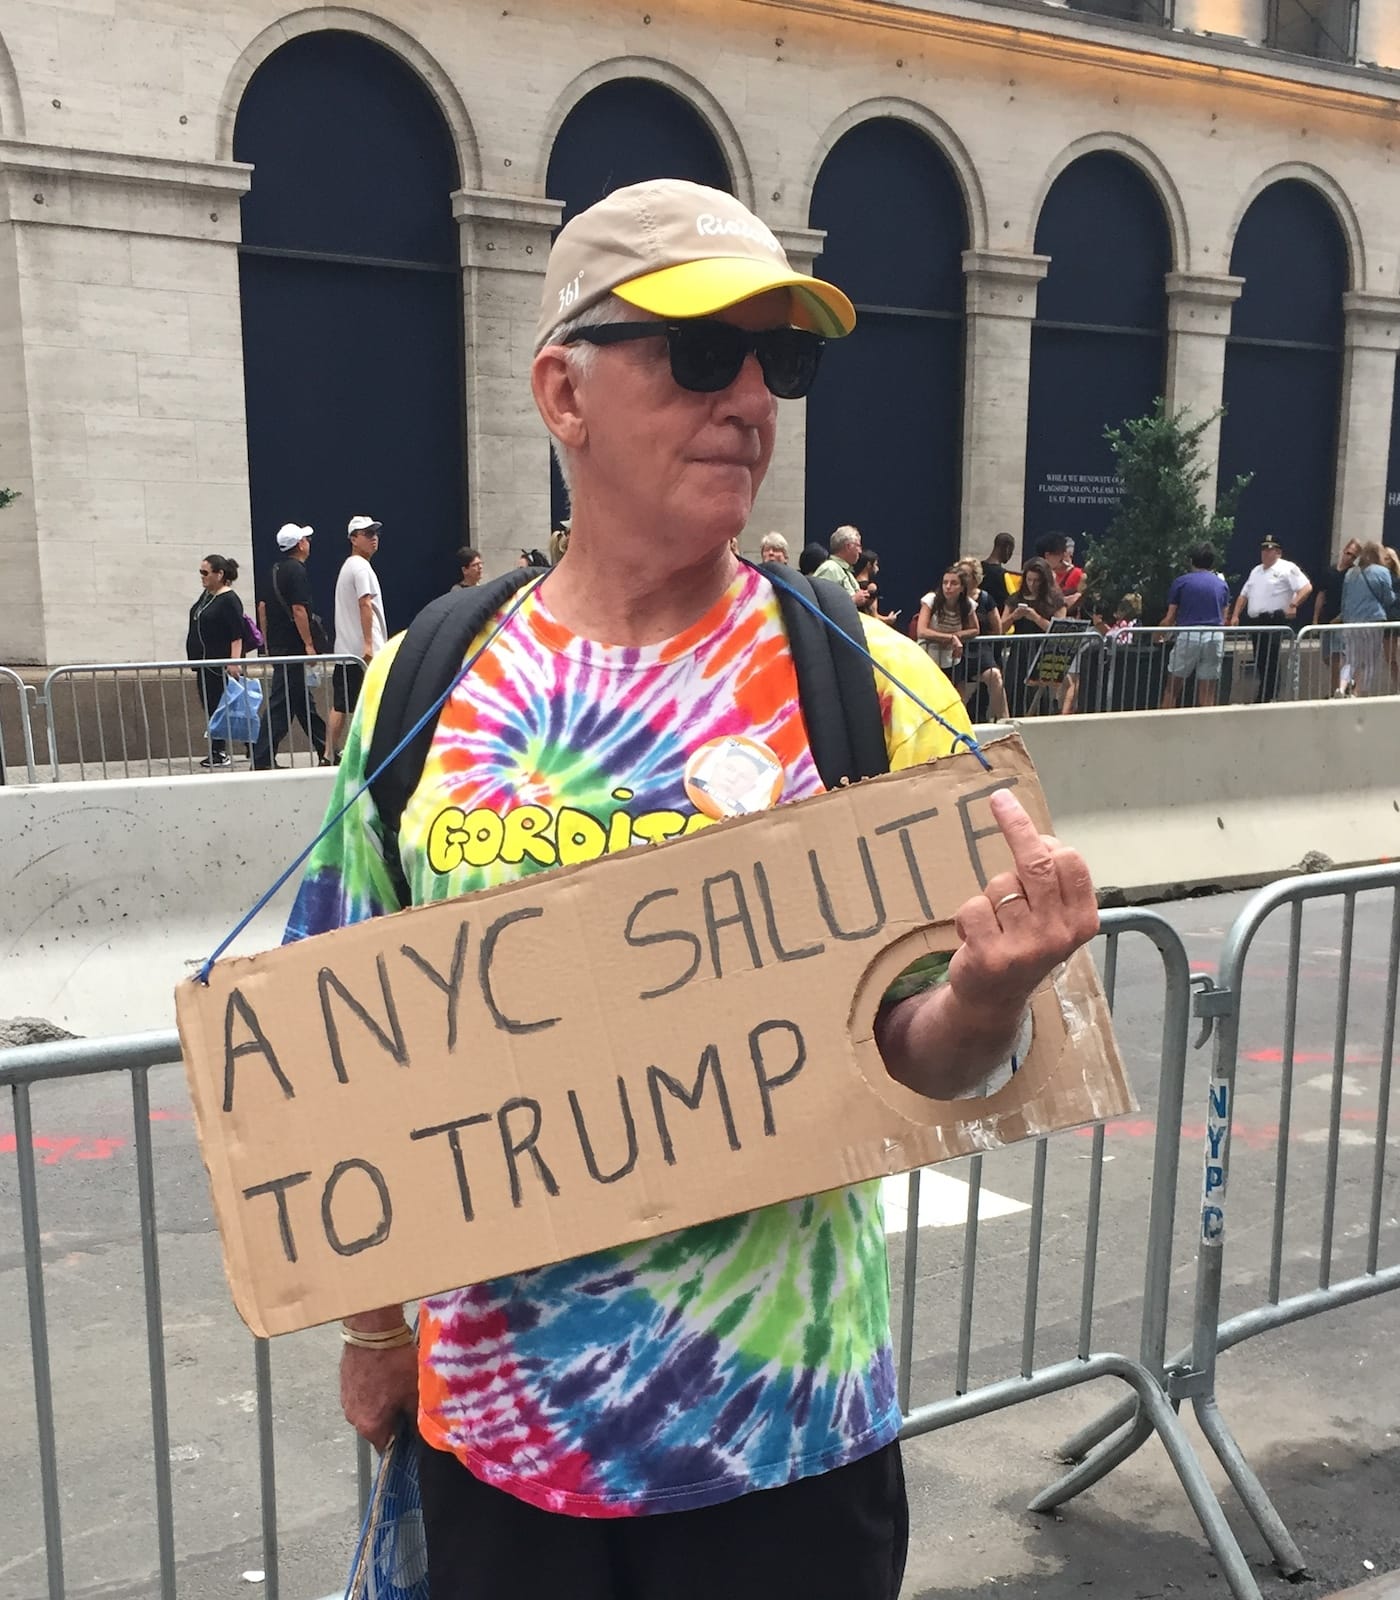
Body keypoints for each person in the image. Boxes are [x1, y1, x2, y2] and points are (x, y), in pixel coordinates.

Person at [288, 177, 1099, 1600]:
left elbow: (927, 1064)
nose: (750, 401)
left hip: (788, 1454)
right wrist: (371, 1332)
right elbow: (351, 1048)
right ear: (564, 389)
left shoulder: (867, 688)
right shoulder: (428, 688)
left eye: (777, 361)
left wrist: (984, 996)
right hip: (501, 1449)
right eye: (700, 353)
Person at [252, 523, 328, 770]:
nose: (309, 542)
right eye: (306, 538)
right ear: (300, 544)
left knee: (304, 704)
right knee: (279, 706)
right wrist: (309, 645)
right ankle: (262, 759)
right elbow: (299, 609)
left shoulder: (274, 570)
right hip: (293, 649)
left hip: (279, 646)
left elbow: (262, 608)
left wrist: (266, 643)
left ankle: (327, 750)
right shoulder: (296, 571)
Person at [327, 517, 387, 764]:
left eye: (375, 533)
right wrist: (368, 645)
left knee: (343, 703)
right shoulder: (360, 568)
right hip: (362, 653)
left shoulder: (350, 566)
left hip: (348, 651)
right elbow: (365, 603)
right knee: (369, 702)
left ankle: (329, 753)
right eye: (367, 533)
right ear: (353, 539)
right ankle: (365, 752)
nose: (373, 537)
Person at [1228, 537, 1312, 703]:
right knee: (1260, 658)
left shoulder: (1287, 568)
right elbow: (1244, 595)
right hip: (1257, 621)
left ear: (1278, 552)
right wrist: (1236, 614)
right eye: (1264, 549)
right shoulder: (1256, 571)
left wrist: (1294, 603)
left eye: (1270, 549)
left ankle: (1269, 695)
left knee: (1270, 659)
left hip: (1274, 619)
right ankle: (1264, 693)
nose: (1266, 553)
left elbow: (1306, 587)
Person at [185, 553, 245, 768]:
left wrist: (234, 661)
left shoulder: (228, 599)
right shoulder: (207, 596)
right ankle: (226, 748)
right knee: (213, 707)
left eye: (205, 572)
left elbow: (237, 634)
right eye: (200, 572)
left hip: (219, 664)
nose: (202, 577)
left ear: (219, 574)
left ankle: (219, 750)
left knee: (223, 707)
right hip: (204, 663)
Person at [1160, 543, 1232, 710]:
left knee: (1172, 688)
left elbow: (1170, 617)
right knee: (1208, 693)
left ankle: (1163, 726)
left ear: (1191, 560)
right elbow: (1224, 617)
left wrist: (1158, 634)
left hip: (1188, 635)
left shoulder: (1181, 582)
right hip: (1215, 635)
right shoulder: (1221, 585)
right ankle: (1206, 730)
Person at [1005, 557, 1067, 716]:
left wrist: (1036, 618)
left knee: (1041, 695)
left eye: (1036, 581)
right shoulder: (1015, 598)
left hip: (1043, 652)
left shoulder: (1055, 601)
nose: (1032, 584)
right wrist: (1013, 617)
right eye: (1029, 580)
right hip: (1019, 652)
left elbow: (1059, 630)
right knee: (1015, 690)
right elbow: (1000, 627)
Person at [1061, 594, 1139, 716]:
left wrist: (1099, 624)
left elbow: (1112, 637)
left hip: (1107, 661)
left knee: (1077, 684)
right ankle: (1065, 712)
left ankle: (1065, 712)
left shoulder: (1125, 625)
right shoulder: (1129, 625)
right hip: (1099, 660)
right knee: (1076, 683)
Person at [953, 557, 1009, 722]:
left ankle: (1005, 720)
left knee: (995, 676)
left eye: (966, 575)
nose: (962, 578)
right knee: (958, 688)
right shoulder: (952, 598)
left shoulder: (985, 598)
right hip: (956, 649)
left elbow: (997, 628)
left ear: (975, 577)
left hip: (980, 649)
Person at [1341, 541, 1396, 698]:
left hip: (1351, 621)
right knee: (1369, 661)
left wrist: (1345, 618)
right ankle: (1360, 693)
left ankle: (1341, 687)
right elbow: (1388, 598)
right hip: (1373, 620)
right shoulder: (1381, 572)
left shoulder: (1351, 573)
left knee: (1350, 660)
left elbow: (1344, 598)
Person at [1312, 539, 1360, 697]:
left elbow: (1352, 599)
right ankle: (1345, 682)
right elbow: (1321, 594)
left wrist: (1341, 617)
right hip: (1327, 618)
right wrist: (1315, 618)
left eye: (1353, 556)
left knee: (1336, 659)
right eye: (1348, 553)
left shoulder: (1353, 574)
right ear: (1343, 550)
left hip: (1342, 621)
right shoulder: (1330, 571)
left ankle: (1336, 692)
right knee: (1328, 658)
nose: (1349, 558)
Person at [916, 567, 976, 672]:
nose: (948, 587)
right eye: (945, 583)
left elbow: (975, 629)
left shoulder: (967, 604)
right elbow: (921, 631)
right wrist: (950, 638)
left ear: (962, 588)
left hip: (952, 660)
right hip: (927, 658)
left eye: (954, 583)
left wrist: (958, 635)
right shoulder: (931, 600)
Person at [1036, 533, 1084, 615]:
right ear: (1047, 555)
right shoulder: (1040, 575)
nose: (1062, 557)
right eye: (1060, 553)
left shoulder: (1048, 573)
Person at [853, 548, 899, 625]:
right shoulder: (871, 588)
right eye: (876, 564)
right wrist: (888, 619)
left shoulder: (850, 582)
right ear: (869, 565)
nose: (877, 568)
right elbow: (874, 616)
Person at [812, 525, 862, 593]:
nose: (860, 551)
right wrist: (854, 600)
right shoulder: (830, 569)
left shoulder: (845, 572)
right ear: (849, 546)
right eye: (858, 546)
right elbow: (824, 600)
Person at [979, 532, 1016, 622]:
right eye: (1012, 551)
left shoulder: (977, 569)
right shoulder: (1003, 575)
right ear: (1007, 548)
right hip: (996, 623)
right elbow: (1013, 600)